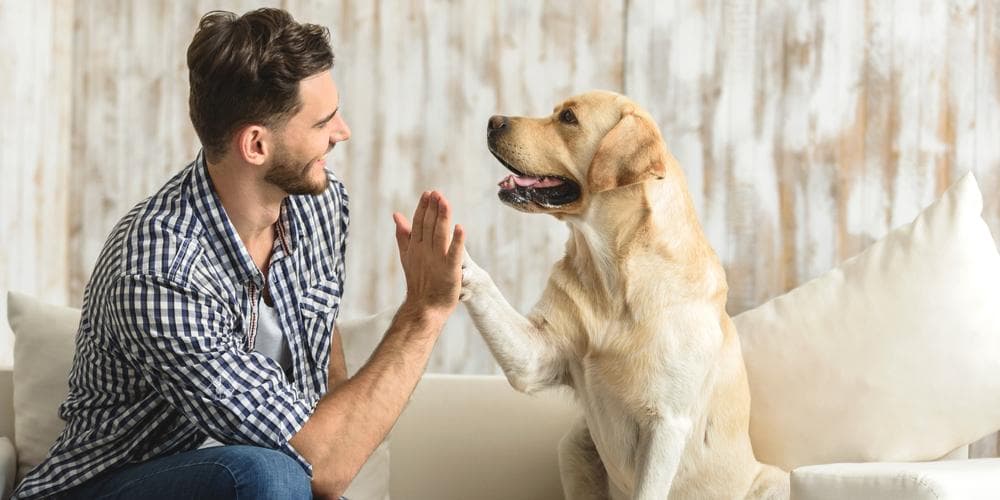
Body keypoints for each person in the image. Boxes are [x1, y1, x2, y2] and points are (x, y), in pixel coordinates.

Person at [12, 7, 464, 500]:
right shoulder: (158, 267)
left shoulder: (320, 204)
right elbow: (321, 465)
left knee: (279, 473)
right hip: (109, 485)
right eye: (323, 121)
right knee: (268, 472)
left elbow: (322, 352)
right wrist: (424, 311)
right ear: (255, 144)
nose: (343, 132)